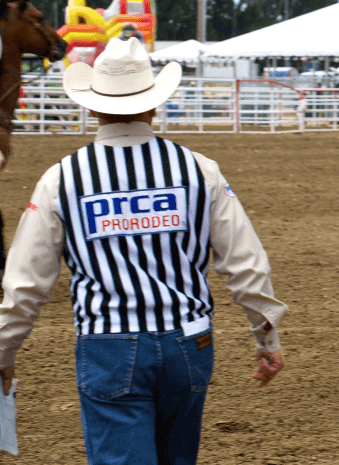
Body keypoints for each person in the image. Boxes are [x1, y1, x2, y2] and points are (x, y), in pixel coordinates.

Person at [0, 38, 287, 464]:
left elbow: (25, 285)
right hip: (189, 342)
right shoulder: (199, 170)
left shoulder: (62, 179)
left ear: (93, 106)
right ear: (154, 104)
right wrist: (266, 337)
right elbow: (245, 262)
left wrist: (4, 352)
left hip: (109, 345)